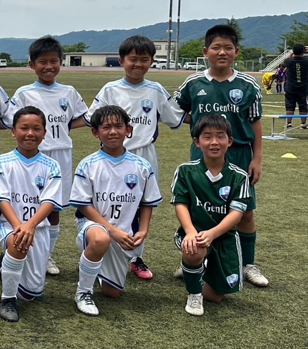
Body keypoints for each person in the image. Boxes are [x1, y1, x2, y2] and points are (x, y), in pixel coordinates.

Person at [171, 24, 266, 288]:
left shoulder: (248, 85)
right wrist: (199, 124)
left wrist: (257, 158)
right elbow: (175, 111)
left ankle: (248, 264)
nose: (222, 52)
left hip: (239, 154)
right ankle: (194, 258)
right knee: (199, 209)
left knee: (245, 212)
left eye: (228, 48)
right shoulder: (193, 83)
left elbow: (255, 122)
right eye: (216, 47)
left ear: (236, 51)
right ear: (206, 52)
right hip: (202, 155)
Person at [84, 35, 183, 281]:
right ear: (121, 61)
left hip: (144, 156)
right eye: (133, 59)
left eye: (144, 59)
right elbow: (91, 118)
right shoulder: (110, 89)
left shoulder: (156, 90)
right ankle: (100, 251)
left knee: (140, 207)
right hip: (110, 156)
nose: (138, 64)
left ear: (151, 62)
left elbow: (175, 118)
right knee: (107, 202)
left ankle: (136, 257)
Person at [70, 105, 162, 317]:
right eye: (106, 127)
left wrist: (143, 230)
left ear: (128, 130)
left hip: (124, 234)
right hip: (94, 228)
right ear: (95, 132)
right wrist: (112, 231)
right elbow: (83, 205)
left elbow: (147, 202)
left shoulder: (142, 166)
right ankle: (83, 292)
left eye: (118, 126)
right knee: (100, 239)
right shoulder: (88, 165)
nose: (113, 131)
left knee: (112, 293)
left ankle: (93, 264)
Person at [11, 36, 88, 276]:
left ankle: (46, 255)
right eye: (42, 62)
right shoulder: (24, 93)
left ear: (60, 62)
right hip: (32, 156)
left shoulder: (69, 92)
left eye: (53, 61)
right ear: (32, 65)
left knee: (53, 208)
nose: (48, 66)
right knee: (28, 203)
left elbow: (84, 117)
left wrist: (64, 127)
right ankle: (20, 248)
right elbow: (12, 121)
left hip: (60, 155)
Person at [172, 115, 252, 317]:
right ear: (197, 142)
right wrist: (191, 232)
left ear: (230, 141)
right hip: (195, 232)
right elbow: (180, 204)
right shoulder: (185, 171)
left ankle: (201, 269)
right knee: (194, 249)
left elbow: (237, 214)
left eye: (220, 136)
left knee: (215, 297)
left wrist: (213, 233)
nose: (214, 142)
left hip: (223, 237)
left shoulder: (239, 176)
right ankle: (194, 293)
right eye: (207, 137)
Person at [0, 106, 63, 322]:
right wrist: (19, 227)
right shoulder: (2, 162)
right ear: (13, 131)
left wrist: (30, 225)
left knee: (31, 293)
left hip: (37, 228)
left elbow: (49, 202)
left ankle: (5, 262)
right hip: (8, 225)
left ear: (44, 133)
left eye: (36, 128)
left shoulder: (52, 166)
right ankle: (7, 299)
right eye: (24, 128)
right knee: (18, 243)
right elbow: (2, 200)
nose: (30, 133)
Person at [282, 44, 308, 129]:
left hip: (291, 87)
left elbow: (286, 60)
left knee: (290, 105)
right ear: (303, 52)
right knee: (303, 106)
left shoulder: (289, 61)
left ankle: (288, 123)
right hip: (303, 87)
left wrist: (291, 52)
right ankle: (303, 124)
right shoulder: (307, 61)